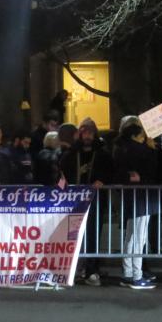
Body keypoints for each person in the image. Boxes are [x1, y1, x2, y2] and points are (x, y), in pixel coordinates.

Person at [59, 118, 112, 286]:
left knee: (93, 234)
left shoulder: (103, 154)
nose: (87, 135)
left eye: (90, 132)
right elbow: (60, 174)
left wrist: (102, 180)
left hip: (95, 201)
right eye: (84, 132)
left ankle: (91, 269)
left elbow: (111, 172)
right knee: (73, 235)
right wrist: (63, 185)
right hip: (74, 201)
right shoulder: (70, 154)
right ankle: (73, 269)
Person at [113, 121, 158, 289]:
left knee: (130, 236)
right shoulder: (141, 151)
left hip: (130, 197)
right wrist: (152, 149)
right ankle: (137, 276)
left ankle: (128, 273)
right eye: (142, 136)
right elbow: (153, 169)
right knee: (139, 237)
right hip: (142, 197)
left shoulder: (121, 149)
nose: (144, 138)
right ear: (134, 136)